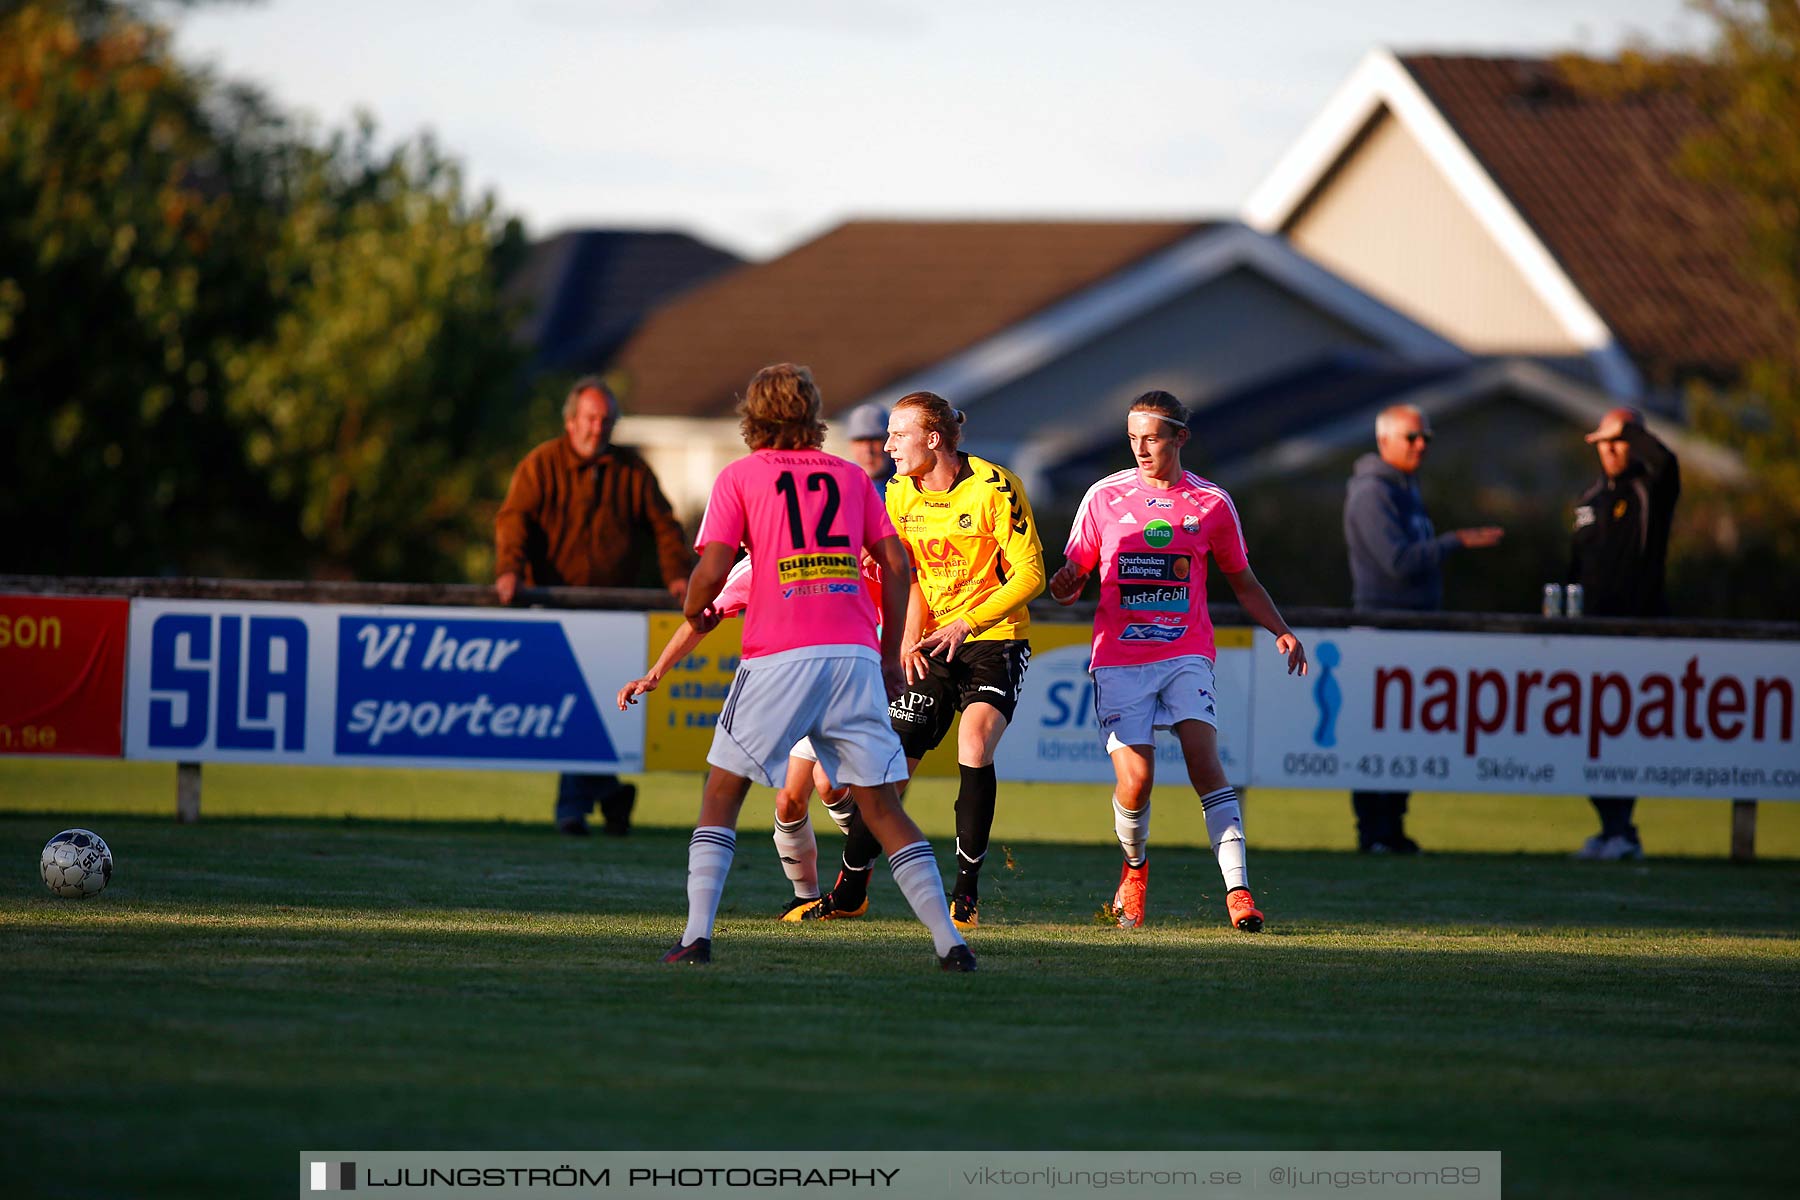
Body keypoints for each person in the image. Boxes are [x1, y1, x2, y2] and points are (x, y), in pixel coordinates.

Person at [660, 363, 972, 971]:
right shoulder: (850, 477)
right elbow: (896, 564)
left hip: (779, 652)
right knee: (882, 808)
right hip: (852, 653)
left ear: (753, 416)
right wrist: (885, 655)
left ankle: (697, 936)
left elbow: (715, 567)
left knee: (721, 796)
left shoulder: (741, 476)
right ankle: (950, 943)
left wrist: (695, 608)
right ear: (812, 415)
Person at [1050, 391, 1307, 932]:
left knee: (1202, 759)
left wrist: (1280, 630)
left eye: (1153, 437)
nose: (1141, 448)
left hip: (1184, 651)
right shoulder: (1104, 497)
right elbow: (1070, 582)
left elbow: (1244, 581)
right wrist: (1066, 584)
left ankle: (1239, 893)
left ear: (1180, 438)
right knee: (1137, 780)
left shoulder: (1211, 503)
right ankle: (1135, 870)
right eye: (1133, 438)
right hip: (1119, 658)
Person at [800, 391, 1045, 930]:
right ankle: (849, 892)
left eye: (896, 435)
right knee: (888, 766)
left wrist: (968, 621)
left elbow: (1031, 576)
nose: (886, 447)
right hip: (933, 642)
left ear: (933, 440)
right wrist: (910, 636)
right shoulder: (898, 494)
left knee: (974, 743)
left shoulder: (994, 487)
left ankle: (966, 896)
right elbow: (904, 574)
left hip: (993, 637)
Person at [495, 377, 694, 838]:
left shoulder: (632, 471)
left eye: (606, 420)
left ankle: (579, 806)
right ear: (570, 422)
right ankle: (600, 795)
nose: (597, 427)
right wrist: (509, 570)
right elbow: (513, 521)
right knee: (573, 706)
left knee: (585, 708)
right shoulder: (540, 465)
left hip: (612, 612)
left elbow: (664, 526)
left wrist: (678, 576)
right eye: (590, 418)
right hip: (556, 608)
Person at [617, 553, 860, 916]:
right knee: (788, 803)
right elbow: (701, 619)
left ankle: (863, 863)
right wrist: (654, 674)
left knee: (826, 783)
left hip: (847, 681)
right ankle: (808, 896)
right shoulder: (752, 567)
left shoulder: (833, 552)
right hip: (796, 691)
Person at [1342, 403, 1503, 854]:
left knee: (1403, 736)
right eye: (1412, 437)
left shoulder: (1405, 488)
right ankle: (1372, 831)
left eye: (1425, 438)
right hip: (1382, 632)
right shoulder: (1373, 492)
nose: (1420, 446)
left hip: (1411, 632)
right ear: (1384, 440)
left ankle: (1391, 829)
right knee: (1376, 736)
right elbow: (1395, 563)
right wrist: (1454, 542)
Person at [1569, 407, 1679, 861]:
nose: (1612, 450)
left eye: (1621, 441)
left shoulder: (1650, 488)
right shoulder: (1591, 497)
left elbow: (1668, 464)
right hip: (1589, 639)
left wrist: (1631, 428)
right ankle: (1611, 827)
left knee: (1621, 735)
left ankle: (1621, 829)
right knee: (1587, 737)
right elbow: (1576, 566)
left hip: (1634, 635)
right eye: (1606, 442)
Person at [841, 402, 894, 489]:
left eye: (875, 440)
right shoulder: (839, 482)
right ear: (850, 444)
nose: (867, 450)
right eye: (859, 441)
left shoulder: (911, 481)